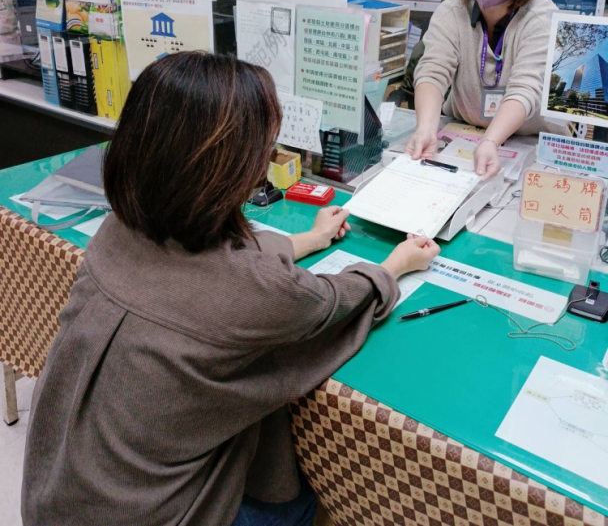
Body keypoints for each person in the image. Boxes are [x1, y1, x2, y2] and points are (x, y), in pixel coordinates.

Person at [22, 51, 439, 526]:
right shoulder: (257, 291)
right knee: (303, 497)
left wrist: (307, 239)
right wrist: (396, 263)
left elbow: (221, 264)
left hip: (55, 496)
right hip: (155, 515)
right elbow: (336, 302)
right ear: (227, 165)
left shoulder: (118, 228)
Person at [406, 0, 558, 180]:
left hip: (530, 139)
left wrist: (491, 142)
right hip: (463, 131)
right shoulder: (454, 8)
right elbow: (433, 70)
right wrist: (425, 128)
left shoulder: (542, 15)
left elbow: (526, 87)